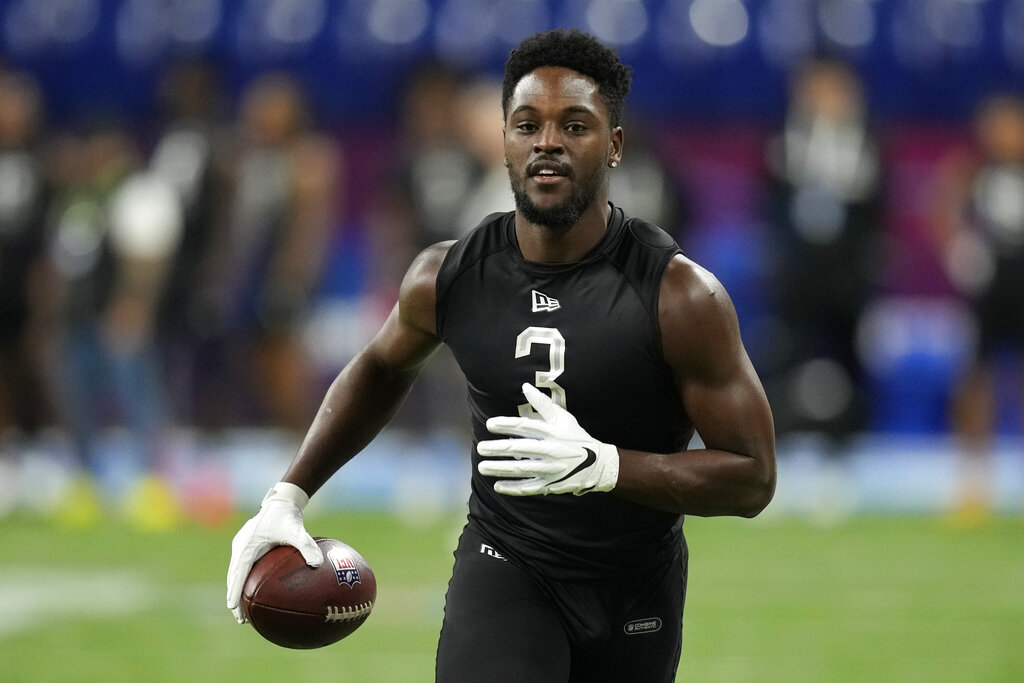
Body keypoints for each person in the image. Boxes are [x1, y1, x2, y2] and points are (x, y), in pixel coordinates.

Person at [226, 29, 776, 681]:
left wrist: (606, 467)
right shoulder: (449, 274)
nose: (548, 141)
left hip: (637, 584)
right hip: (507, 564)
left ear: (616, 145)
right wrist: (287, 495)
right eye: (527, 124)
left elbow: (752, 477)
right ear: (504, 142)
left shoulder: (680, 295)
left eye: (575, 124)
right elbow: (379, 367)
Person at [929, 92, 1024, 523]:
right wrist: (959, 250)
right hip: (990, 286)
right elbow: (941, 206)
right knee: (975, 379)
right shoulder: (973, 168)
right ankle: (973, 480)